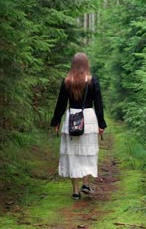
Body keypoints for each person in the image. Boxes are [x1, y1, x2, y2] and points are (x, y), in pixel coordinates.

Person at [50, 52, 107, 200]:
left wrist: (56, 121)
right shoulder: (93, 81)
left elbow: (61, 104)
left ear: (73, 65)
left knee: (73, 154)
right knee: (87, 153)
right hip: (88, 119)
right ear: (86, 64)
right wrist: (101, 124)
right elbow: (99, 105)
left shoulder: (67, 81)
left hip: (71, 118)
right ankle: (86, 184)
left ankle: (75, 191)